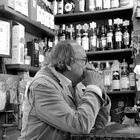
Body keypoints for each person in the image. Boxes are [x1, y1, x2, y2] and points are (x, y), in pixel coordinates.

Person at [18, 40, 111, 140]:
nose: (88, 66)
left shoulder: (76, 85)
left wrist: (98, 89)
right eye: (84, 61)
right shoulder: (42, 86)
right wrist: (93, 87)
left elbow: (98, 124)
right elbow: (81, 125)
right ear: (68, 64)